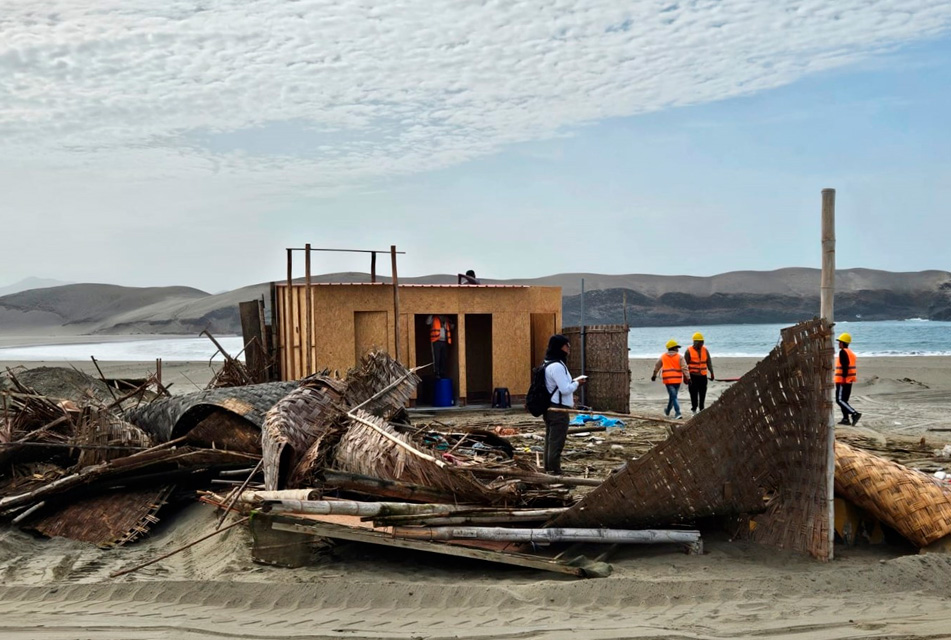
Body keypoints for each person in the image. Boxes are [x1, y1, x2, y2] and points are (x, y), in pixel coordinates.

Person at [542, 334, 586, 475]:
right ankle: (554, 470)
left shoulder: (548, 363)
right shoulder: (556, 366)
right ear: (560, 347)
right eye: (567, 346)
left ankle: (549, 468)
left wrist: (572, 382)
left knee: (550, 439)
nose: (569, 349)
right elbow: (565, 389)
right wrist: (577, 383)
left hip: (551, 407)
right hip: (558, 409)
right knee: (556, 441)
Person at [651, 339, 690, 419]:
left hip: (668, 380)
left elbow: (657, 366)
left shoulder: (663, 357)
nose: (678, 349)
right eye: (677, 347)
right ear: (673, 348)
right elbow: (684, 368)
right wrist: (688, 377)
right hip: (677, 380)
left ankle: (671, 411)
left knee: (673, 396)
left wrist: (654, 375)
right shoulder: (680, 357)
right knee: (674, 396)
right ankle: (676, 412)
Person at [684, 332, 715, 414]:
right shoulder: (688, 351)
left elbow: (709, 363)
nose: (702, 344)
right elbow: (684, 366)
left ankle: (701, 409)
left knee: (702, 393)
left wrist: (712, 373)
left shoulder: (705, 350)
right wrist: (685, 377)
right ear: (695, 342)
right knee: (693, 394)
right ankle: (694, 409)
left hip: (703, 376)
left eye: (702, 342)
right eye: (700, 342)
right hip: (692, 376)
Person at [835, 332, 861, 426]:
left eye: (839, 342)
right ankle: (845, 419)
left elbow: (845, 366)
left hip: (843, 380)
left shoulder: (843, 352)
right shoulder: (851, 353)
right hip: (849, 380)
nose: (838, 344)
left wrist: (843, 378)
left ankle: (854, 413)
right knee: (844, 400)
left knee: (839, 400)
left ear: (843, 343)